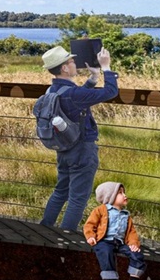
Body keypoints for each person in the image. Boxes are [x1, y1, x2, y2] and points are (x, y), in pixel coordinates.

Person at [38, 44, 119, 231]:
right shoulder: (73, 93)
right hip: (82, 150)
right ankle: (65, 240)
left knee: (61, 191)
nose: (75, 64)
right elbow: (110, 92)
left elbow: (76, 100)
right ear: (65, 68)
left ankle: (44, 229)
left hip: (64, 148)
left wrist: (93, 78)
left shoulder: (52, 91)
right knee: (78, 198)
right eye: (72, 61)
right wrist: (106, 68)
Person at [84, 181, 152, 280]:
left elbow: (131, 232)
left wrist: (133, 244)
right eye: (120, 193)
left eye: (124, 192)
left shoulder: (126, 215)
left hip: (120, 243)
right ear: (110, 197)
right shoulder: (101, 210)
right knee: (105, 253)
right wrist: (90, 236)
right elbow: (89, 225)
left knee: (136, 254)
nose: (124, 195)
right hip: (104, 240)